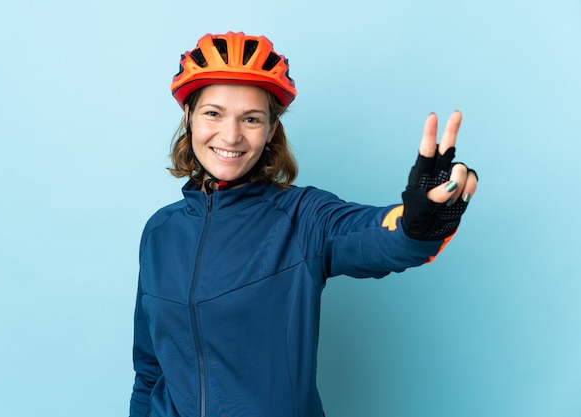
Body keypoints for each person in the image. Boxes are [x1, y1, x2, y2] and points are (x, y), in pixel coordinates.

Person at [129, 31, 478, 417]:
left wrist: (416, 223)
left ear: (271, 130)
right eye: (213, 113)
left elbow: (376, 236)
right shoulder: (160, 231)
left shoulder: (302, 216)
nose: (231, 135)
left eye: (251, 118)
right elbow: (149, 371)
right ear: (190, 118)